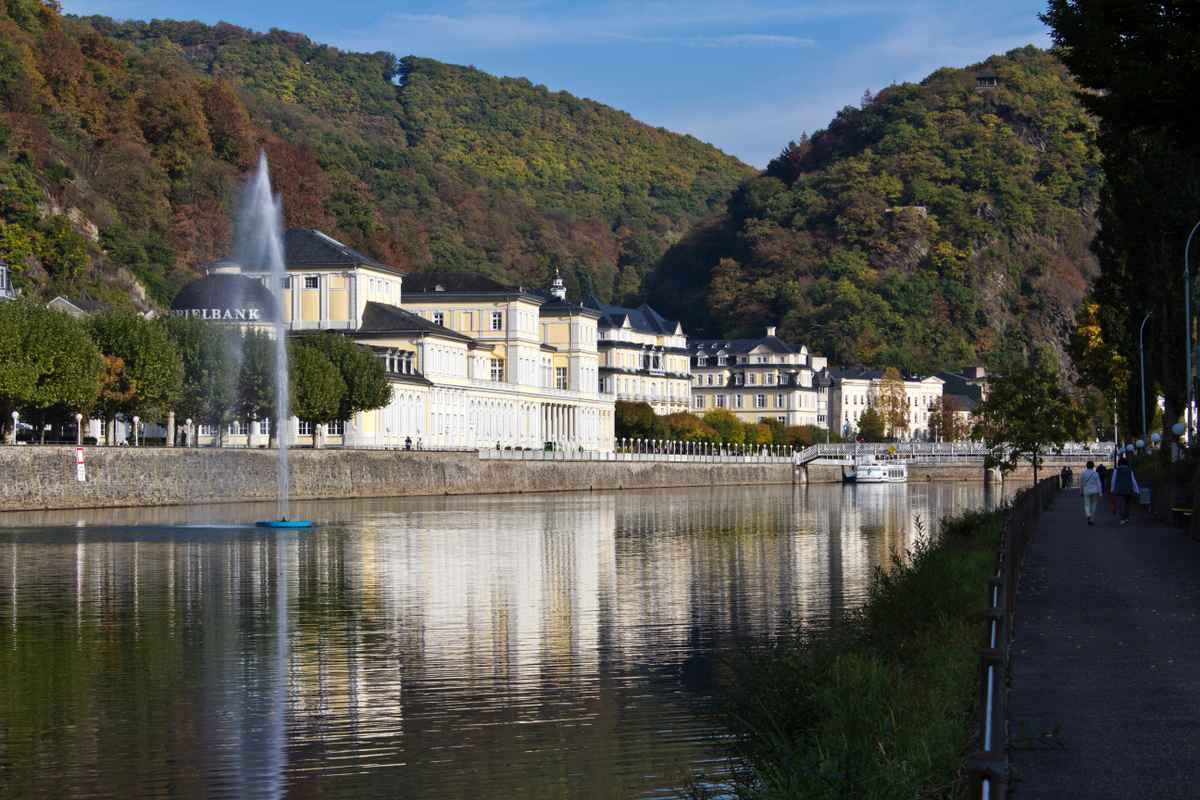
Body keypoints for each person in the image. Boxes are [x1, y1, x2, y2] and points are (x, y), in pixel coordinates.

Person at [1110, 455, 1140, 525]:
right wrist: (1137, 490)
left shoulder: (1116, 471)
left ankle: (1122, 518)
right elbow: (1133, 480)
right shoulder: (1130, 470)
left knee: (1121, 504)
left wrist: (1112, 489)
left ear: (1119, 463)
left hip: (1119, 489)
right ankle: (1126, 517)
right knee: (1127, 504)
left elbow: (1113, 481)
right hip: (1128, 489)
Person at [1080, 460, 1102, 526]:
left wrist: (1081, 491)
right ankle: (1092, 518)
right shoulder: (1096, 473)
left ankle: (1088, 515)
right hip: (1095, 491)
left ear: (1086, 466)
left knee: (1087, 504)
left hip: (1086, 490)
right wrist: (1100, 493)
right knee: (1094, 504)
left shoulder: (1083, 473)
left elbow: (1081, 483)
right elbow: (1099, 484)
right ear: (1093, 466)